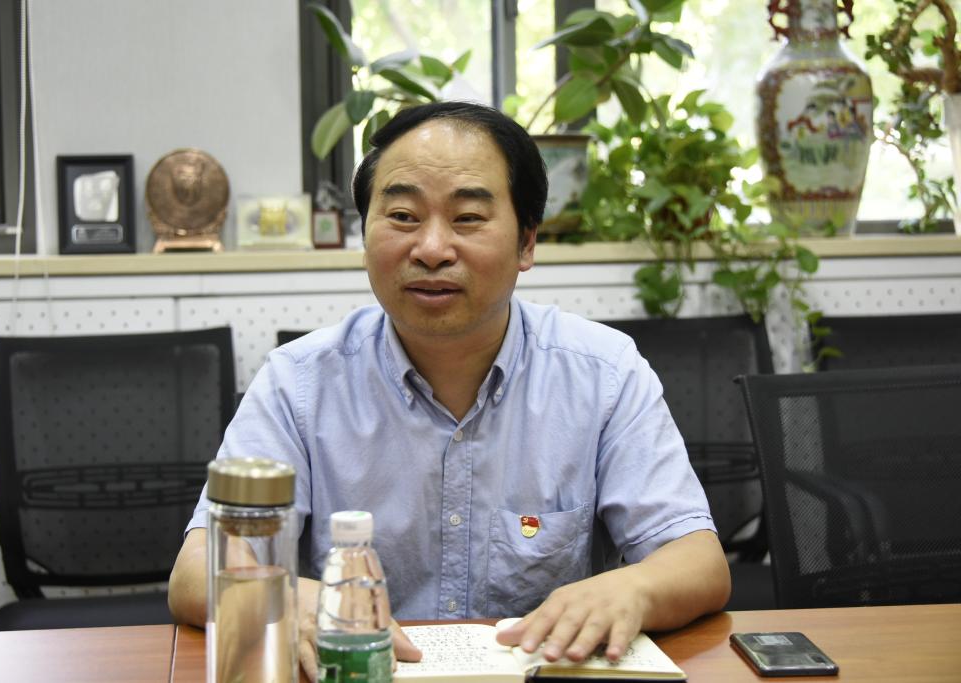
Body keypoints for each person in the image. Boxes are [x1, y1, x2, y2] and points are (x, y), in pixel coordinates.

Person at [168, 101, 730, 680]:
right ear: (365, 234)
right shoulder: (299, 381)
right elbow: (194, 571)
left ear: (527, 243)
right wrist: (284, 598)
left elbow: (697, 560)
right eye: (403, 216)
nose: (432, 249)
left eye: (467, 218)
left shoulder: (604, 373)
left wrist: (633, 588)